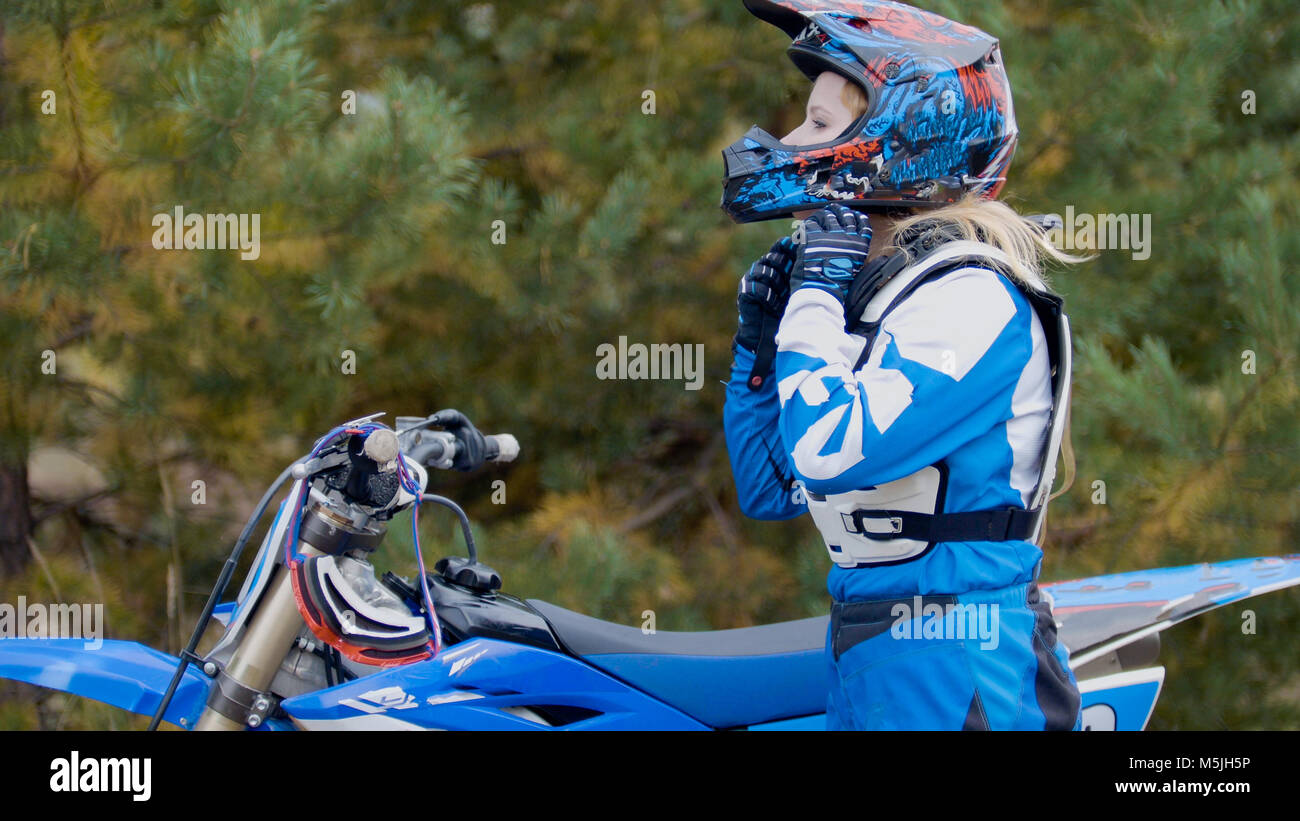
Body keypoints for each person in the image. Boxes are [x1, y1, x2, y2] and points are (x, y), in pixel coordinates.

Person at [722, 0, 1086, 730]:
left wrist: (815, 299)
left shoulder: (973, 297)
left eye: (822, 125)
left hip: (955, 648)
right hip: (871, 637)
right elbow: (772, 488)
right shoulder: (890, 294)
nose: (793, 140)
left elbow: (828, 448)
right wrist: (756, 351)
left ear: (901, 140)